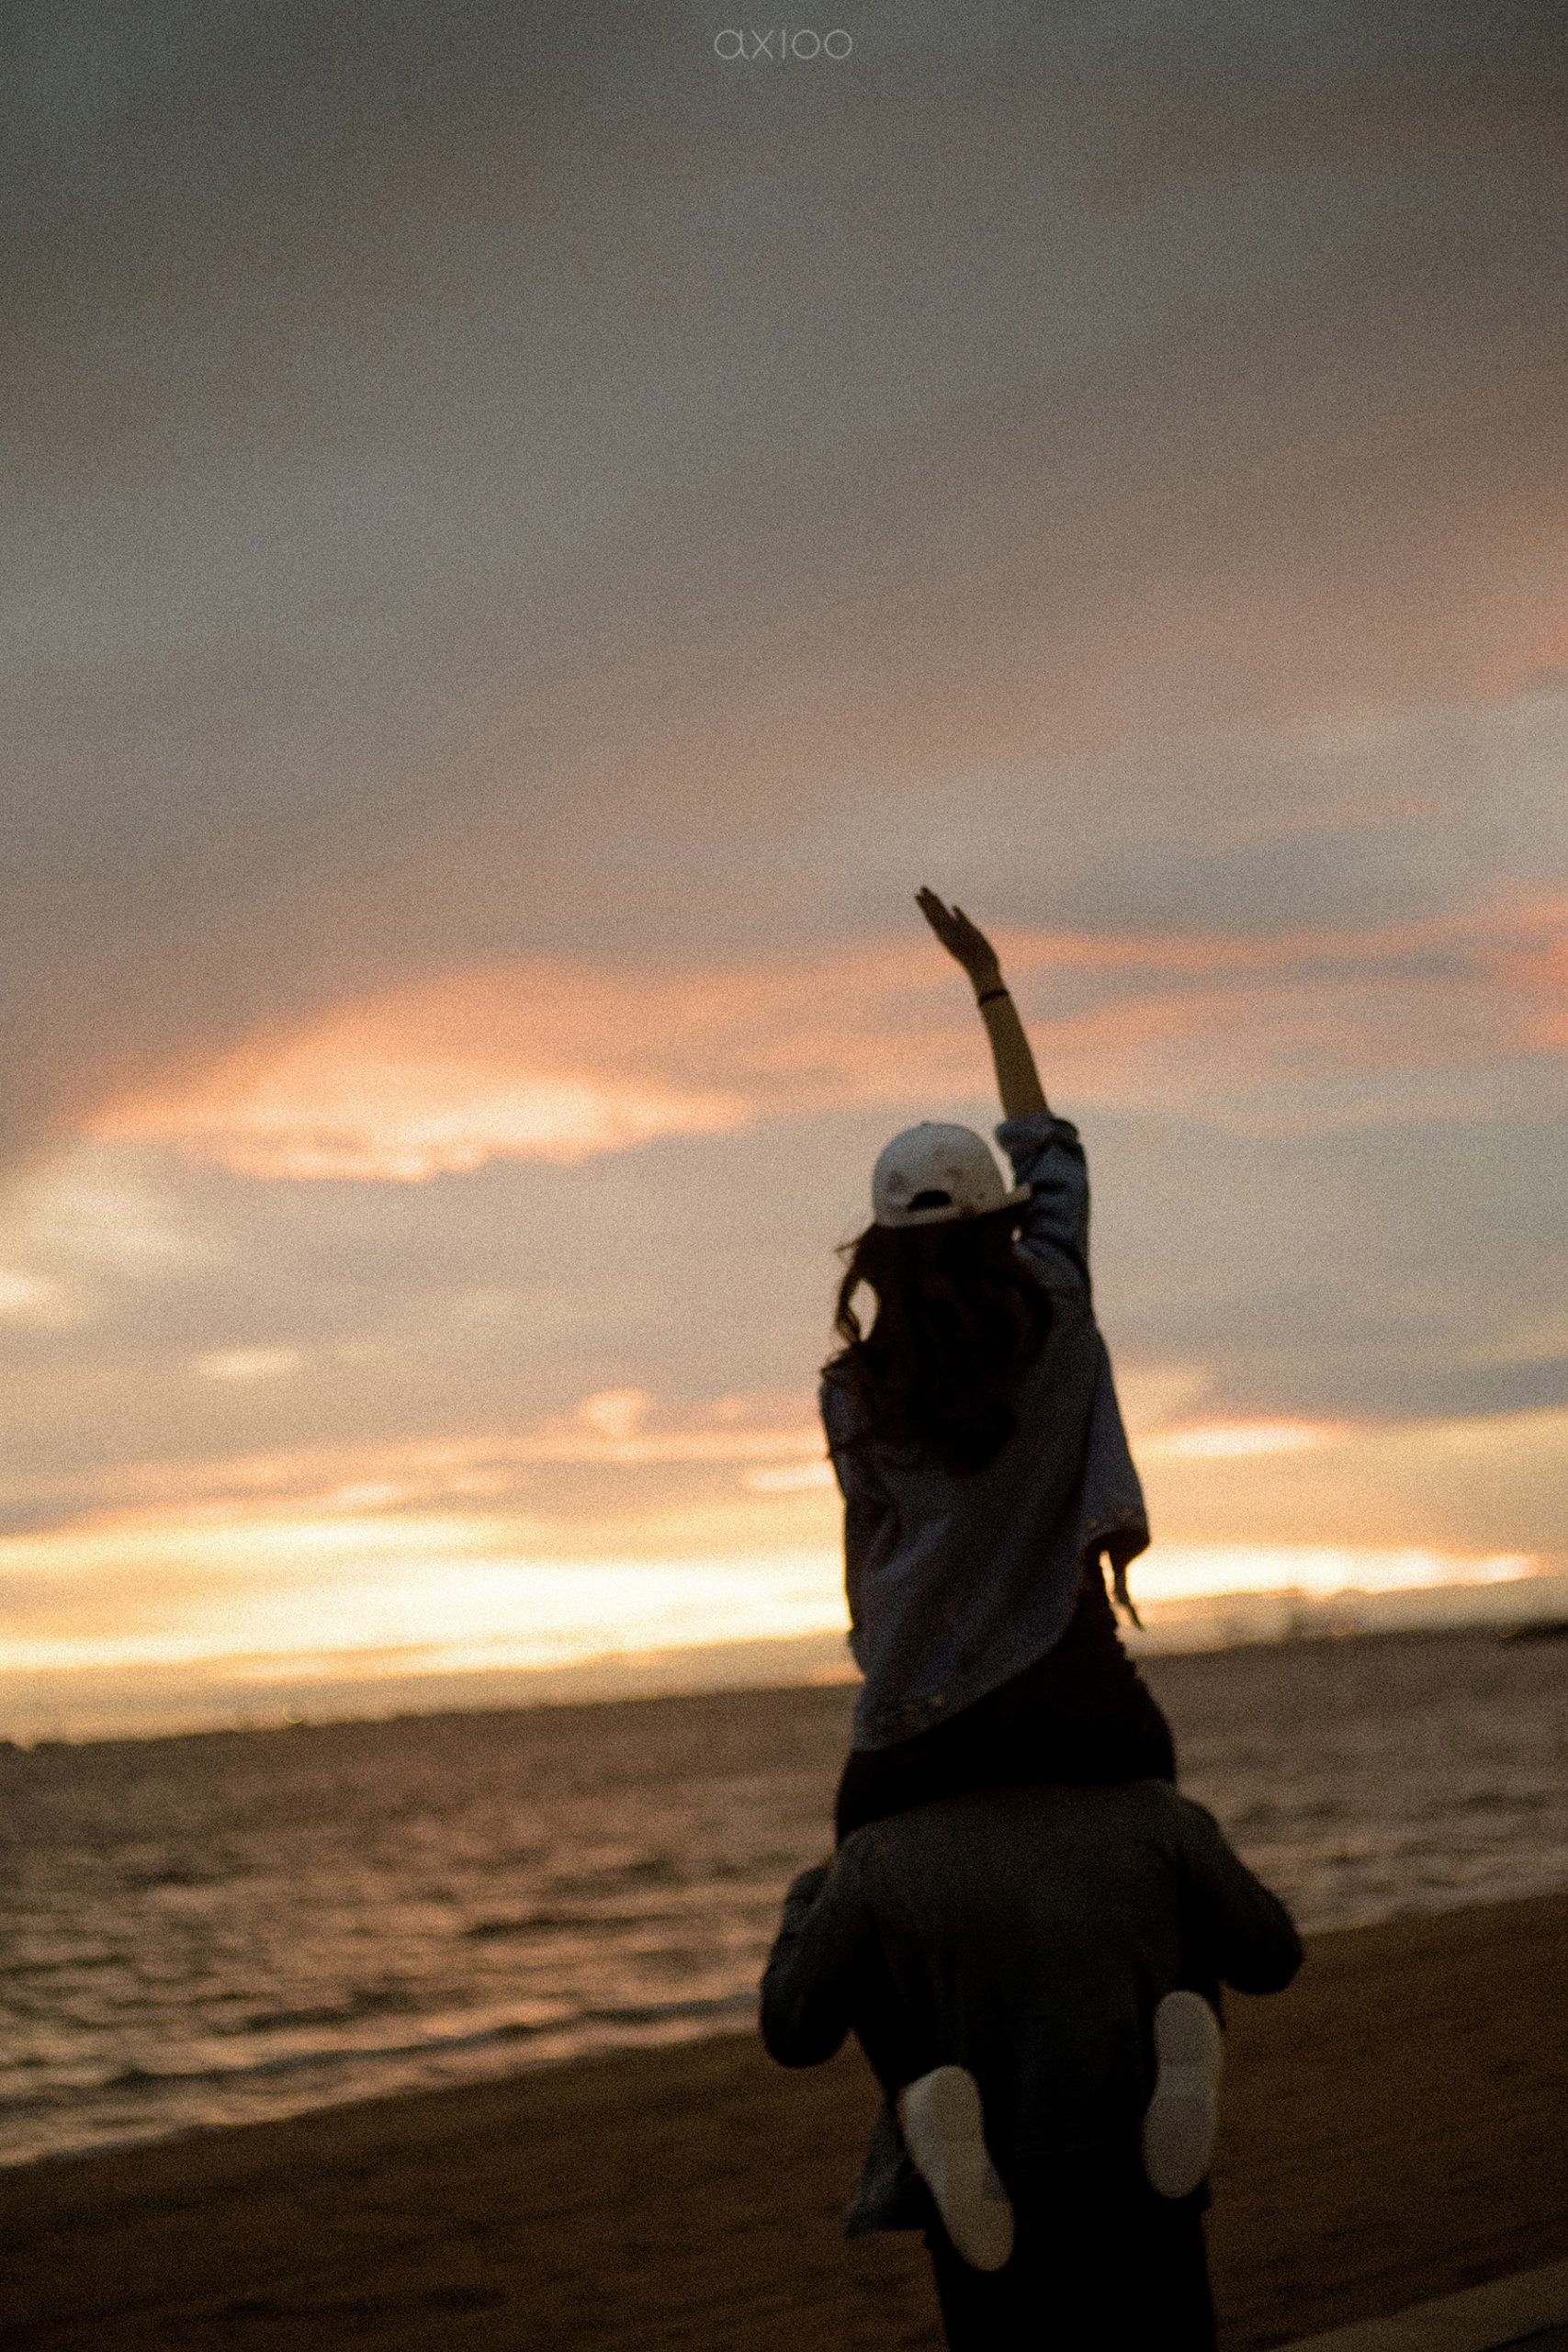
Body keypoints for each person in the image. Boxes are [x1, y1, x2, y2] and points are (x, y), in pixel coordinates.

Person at [822, 889, 1174, 1843]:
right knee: (1175, 1846)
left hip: (918, 1710)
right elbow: (1044, 1142)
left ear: (882, 1251)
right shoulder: (1055, 1299)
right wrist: (988, 983)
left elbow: (865, 1555)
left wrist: (882, 1660)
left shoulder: (852, 1390)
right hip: (1069, 1676)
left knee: (845, 1890)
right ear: (1000, 1221)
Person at [760, 1778, 1303, 2351]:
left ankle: (926, 2098)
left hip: (991, 2182)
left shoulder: (876, 1855)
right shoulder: (1155, 1812)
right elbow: (1270, 1959)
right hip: (1141, 2165)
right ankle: (1183, 2056)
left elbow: (795, 2033)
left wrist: (812, 1892)